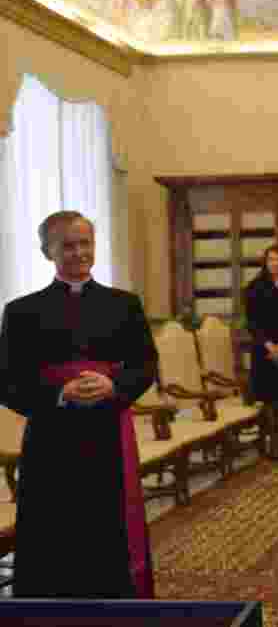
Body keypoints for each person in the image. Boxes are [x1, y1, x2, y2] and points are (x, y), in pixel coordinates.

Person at [0, 211, 157, 598]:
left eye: (85, 243)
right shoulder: (21, 311)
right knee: (52, 530)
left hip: (108, 435)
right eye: (67, 245)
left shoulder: (124, 304)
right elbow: (7, 382)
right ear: (46, 251)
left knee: (107, 528)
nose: (78, 253)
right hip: (51, 439)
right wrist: (59, 393)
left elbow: (145, 364)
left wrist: (114, 384)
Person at [245, 244, 278, 461]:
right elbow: (252, 323)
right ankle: (272, 445)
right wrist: (268, 345)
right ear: (265, 263)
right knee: (269, 399)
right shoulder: (254, 288)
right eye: (271, 259)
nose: (275, 263)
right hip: (263, 351)